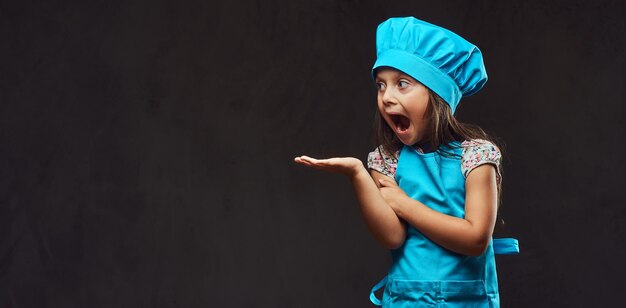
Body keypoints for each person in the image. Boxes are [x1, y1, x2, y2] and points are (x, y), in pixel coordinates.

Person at [294, 16, 518, 307]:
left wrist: (403, 203)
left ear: (437, 94)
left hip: (468, 300)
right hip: (406, 300)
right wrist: (358, 174)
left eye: (402, 84)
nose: (386, 97)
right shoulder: (386, 159)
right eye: (380, 85)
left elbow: (475, 239)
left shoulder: (476, 155)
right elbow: (392, 236)